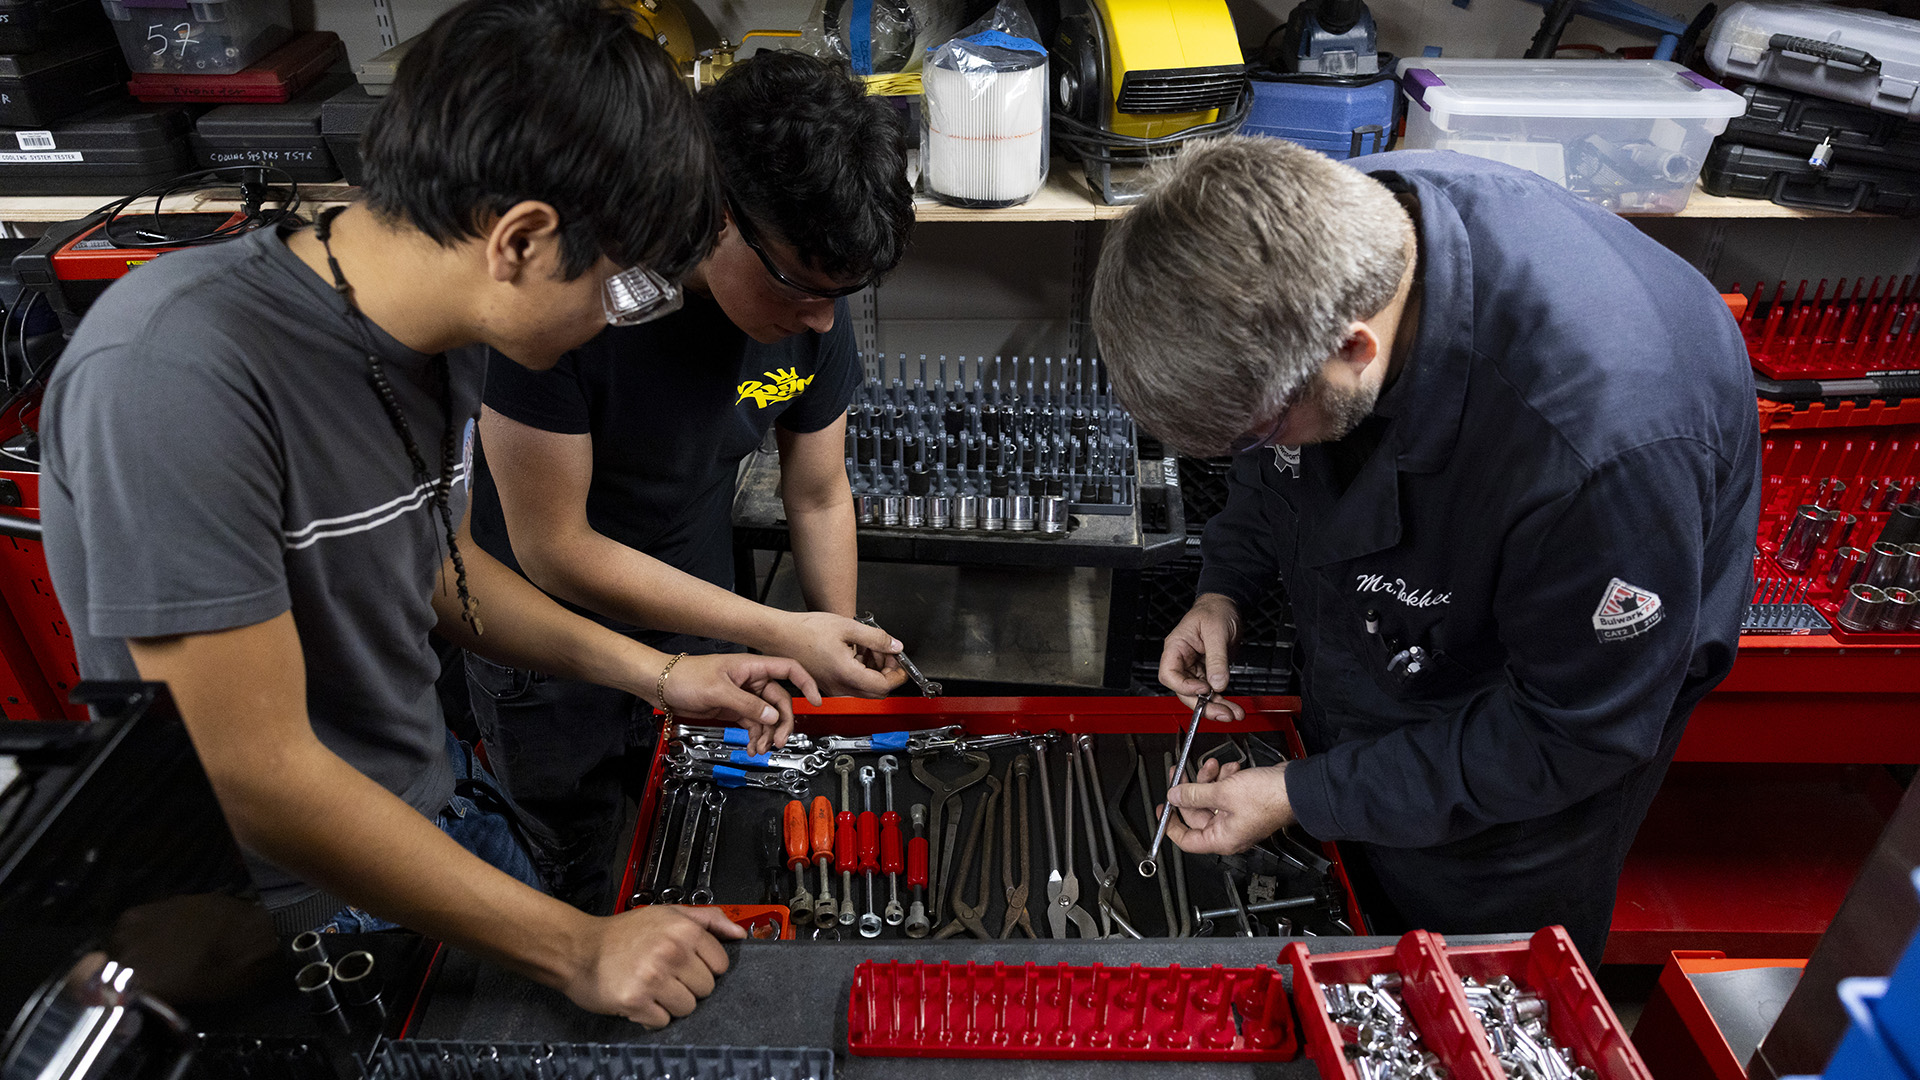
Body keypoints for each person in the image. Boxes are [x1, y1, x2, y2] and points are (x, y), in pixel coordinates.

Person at [40, 0, 821, 1028]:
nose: (611, 324)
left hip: (437, 816)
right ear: (521, 240)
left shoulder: (433, 339)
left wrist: (663, 675)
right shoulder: (173, 373)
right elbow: (253, 775)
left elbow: (430, 565)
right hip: (281, 924)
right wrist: (576, 946)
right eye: (620, 289)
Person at [1091, 137, 1759, 966]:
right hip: (1406, 629)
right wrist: (1223, 586)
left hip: (1532, 762)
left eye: (1258, 428)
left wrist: (1305, 792)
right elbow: (1279, 461)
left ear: (1354, 348)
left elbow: (1571, 735)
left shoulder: (1601, 450)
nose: (1255, 448)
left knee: (1466, 962)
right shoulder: (1337, 234)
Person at [467, 50, 916, 911]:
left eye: (842, 294)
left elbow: (818, 493)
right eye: (801, 286)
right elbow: (554, 549)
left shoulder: (810, 307)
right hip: (556, 663)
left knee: (714, 871)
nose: (821, 320)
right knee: (594, 890)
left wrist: (836, 639)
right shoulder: (568, 299)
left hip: (709, 633)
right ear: (717, 217)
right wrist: (781, 629)